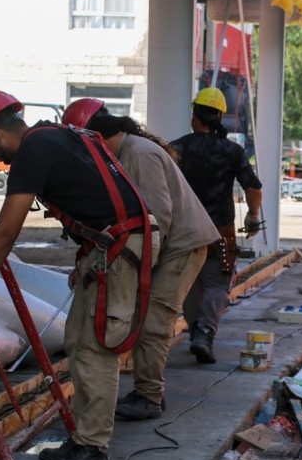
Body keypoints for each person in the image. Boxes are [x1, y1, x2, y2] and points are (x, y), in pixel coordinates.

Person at [0, 90, 160, 460]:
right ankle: (83, 439)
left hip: (123, 246)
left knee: (96, 349)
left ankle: (93, 450)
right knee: (79, 339)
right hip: (113, 244)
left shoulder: (32, 152)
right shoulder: (55, 135)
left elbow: (5, 232)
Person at [61, 98, 219, 420]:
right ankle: (148, 391)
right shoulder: (122, 153)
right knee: (144, 316)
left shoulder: (138, 154)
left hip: (181, 245)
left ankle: (149, 396)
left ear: (94, 135)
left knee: (153, 322)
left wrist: (135, 270)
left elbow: (158, 216)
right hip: (171, 243)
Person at [169, 87, 263, 364]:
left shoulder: (176, 148)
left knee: (188, 283)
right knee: (217, 283)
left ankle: (197, 329)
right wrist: (253, 217)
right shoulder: (232, 151)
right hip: (220, 231)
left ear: (194, 115)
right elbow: (254, 188)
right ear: (220, 116)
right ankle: (205, 333)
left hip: (183, 231)